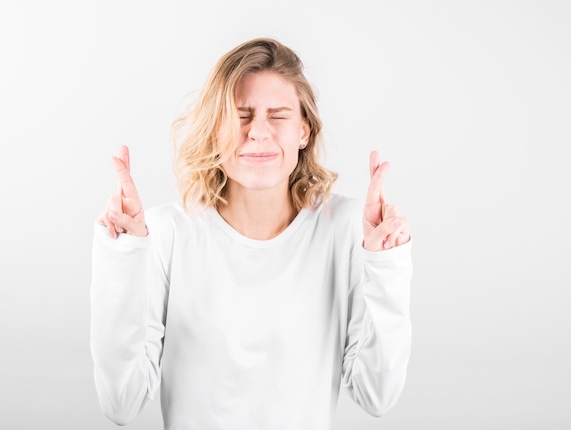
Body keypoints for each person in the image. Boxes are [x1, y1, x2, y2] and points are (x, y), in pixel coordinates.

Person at [91, 37, 412, 429]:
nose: (258, 132)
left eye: (277, 115)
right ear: (214, 130)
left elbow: (377, 394)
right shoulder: (165, 233)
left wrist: (386, 266)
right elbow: (120, 402)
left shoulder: (345, 228)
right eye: (240, 115)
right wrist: (123, 257)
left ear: (304, 132)